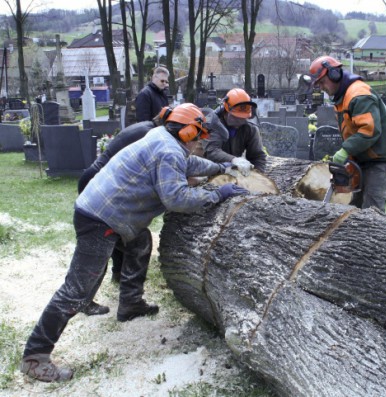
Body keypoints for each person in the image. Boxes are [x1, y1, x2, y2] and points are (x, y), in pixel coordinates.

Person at [20, 103, 249, 383]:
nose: (201, 139)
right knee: (77, 289)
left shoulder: (161, 137)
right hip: (101, 219)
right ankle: (35, 356)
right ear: (188, 131)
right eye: (198, 133)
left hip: (107, 212)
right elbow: (176, 199)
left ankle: (130, 302)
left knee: (141, 242)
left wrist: (221, 166)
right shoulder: (167, 150)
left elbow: (189, 163)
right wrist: (217, 194)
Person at [77, 120, 157, 317]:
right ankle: (84, 300)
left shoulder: (147, 128)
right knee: (103, 245)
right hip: (102, 184)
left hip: (100, 180)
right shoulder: (150, 136)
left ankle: (120, 279)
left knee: (129, 240)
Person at [309, 55, 386, 212]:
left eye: (322, 82)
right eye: (318, 84)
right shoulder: (342, 97)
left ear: (334, 74)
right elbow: (351, 131)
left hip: (381, 159)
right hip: (364, 158)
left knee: (372, 209)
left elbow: (369, 131)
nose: (322, 88)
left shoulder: (358, 94)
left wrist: (346, 150)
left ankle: (374, 235)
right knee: (354, 208)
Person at [202, 88, 267, 176]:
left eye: (243, 118)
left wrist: (257, 176)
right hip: (209, 169)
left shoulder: (250, 129)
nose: (239, 121)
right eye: (236, 117)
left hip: (234, 172)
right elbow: (212, 151)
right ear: (226, 111)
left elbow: (258, 157)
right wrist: (234, 160)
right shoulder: (214, 124)